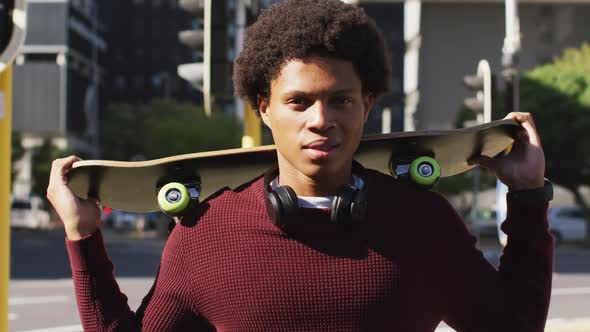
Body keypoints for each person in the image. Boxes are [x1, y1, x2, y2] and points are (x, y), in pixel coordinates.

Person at [47, 0, 553, 331]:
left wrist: (528, 198)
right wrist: (83, 237)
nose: (321, 121)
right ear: (263, 107)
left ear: (367, 105)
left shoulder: (425, 222)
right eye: (299, 102)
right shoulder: (208, 235)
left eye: (341, 101)